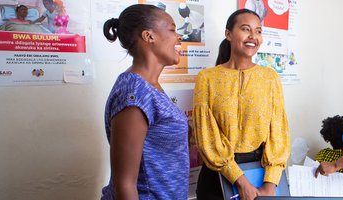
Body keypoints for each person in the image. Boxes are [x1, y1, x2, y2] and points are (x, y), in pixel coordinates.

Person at [193, 9, 290, 200]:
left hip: (260, 174)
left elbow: (278, 131)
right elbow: (206, 135)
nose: (253, 36)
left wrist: (270, 185)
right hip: (217, 176)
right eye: (246, 29)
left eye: (258, 31)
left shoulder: (270, 77)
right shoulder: (207, 78)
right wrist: (240, 181)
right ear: (228, 34)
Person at [100, 4, 188, 200]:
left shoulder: (150, 87)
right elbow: (125, 184)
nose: (179, 36)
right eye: (172, 29)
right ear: (149, 36)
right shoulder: (135, 93)